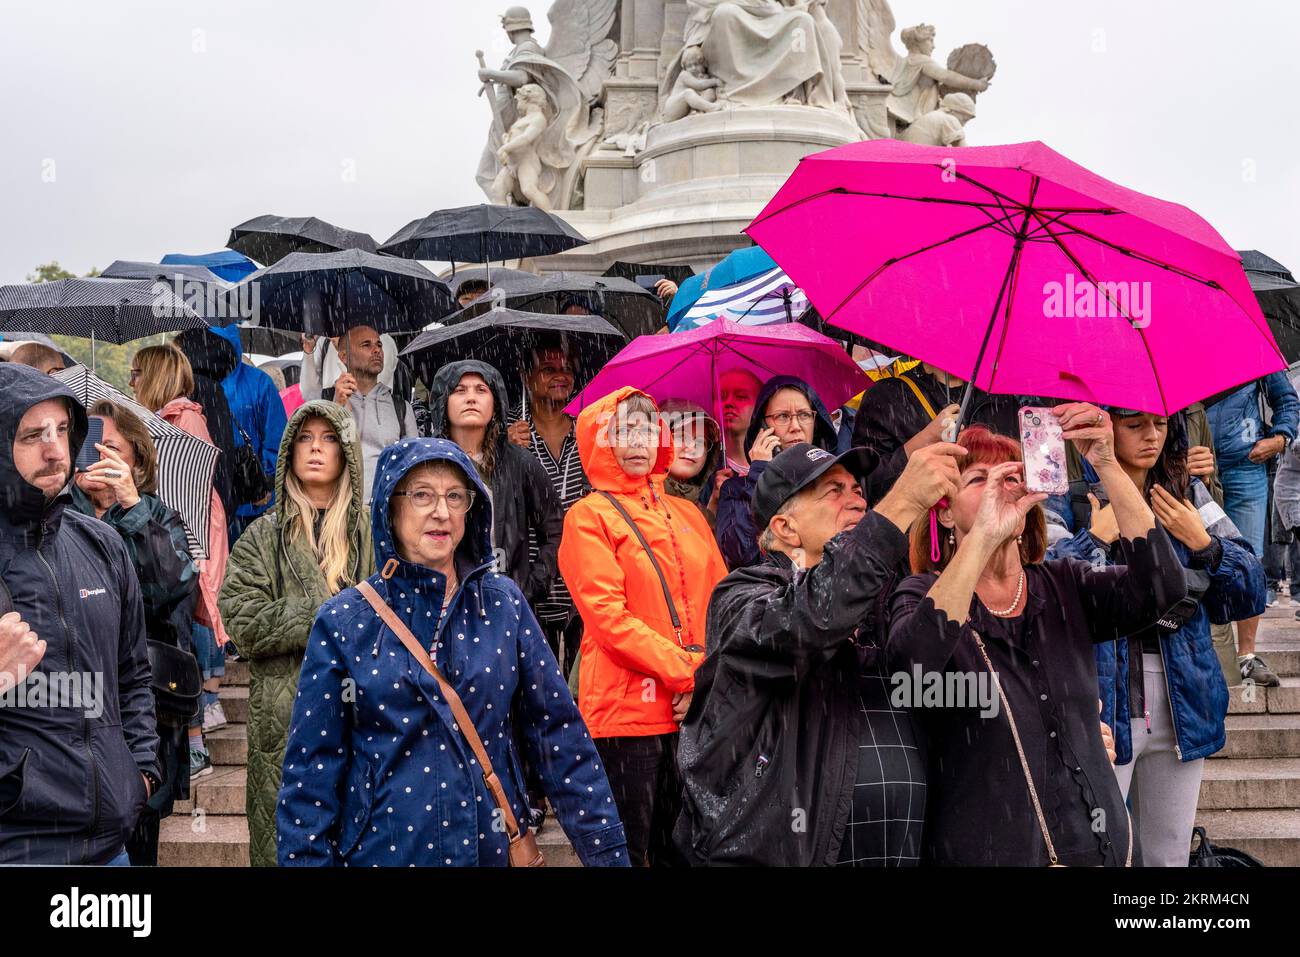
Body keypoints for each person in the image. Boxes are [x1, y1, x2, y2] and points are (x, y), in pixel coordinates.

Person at [276, 437, 628, 866]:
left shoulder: (503, 605)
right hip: (385, 852)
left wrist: (606, 852)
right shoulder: (345, 621)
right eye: (422, 494)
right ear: (390, 504)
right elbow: (310, 773)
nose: (441, 511)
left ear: (471, 509)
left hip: (490, 847)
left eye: (455, 496)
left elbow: (559, 735)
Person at [885, 410, 1187, 866]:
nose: (999, 489)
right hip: (988, 850)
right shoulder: (922, 595)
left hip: (1105, 850)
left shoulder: (1063, 584)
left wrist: (1107, 464)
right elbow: (913, 666)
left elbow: (1163, 588)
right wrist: (982, 539)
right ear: (943, 513)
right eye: (978, 480)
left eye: (1010, 478)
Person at [677, 439, 960, 866]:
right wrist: (900, 502)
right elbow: (807, 621)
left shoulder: (880, 601)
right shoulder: (740, 597)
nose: (856, 501)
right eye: (834, 491)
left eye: (858, 490)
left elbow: (935, 681)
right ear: (786, 528)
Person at [1045, 408, 1259, 866]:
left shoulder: (1186, 492)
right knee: (1097, 854)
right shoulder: (1070, 494)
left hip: (1183, 699)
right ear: (1107, 425)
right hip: (1099, 699)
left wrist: (1206, 544)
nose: (1152, 437)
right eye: (1135, 424)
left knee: (1169, 857)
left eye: (1160, 425)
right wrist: (1095, 541)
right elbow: (1044, 586)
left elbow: (1250, 590)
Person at [558, 387, 729, 866]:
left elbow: (724, 604)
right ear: (600, 440)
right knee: (627, 853)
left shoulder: (691, 514)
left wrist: (707, 679)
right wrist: (689, 673)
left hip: (693, 713)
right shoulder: (587, 516)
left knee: (691, 852)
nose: (638, 440)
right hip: (626, 717)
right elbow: (609, 619)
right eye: (623, 430)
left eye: (647, 428)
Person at [0, 363, 159, 865]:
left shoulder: (102, 542)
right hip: (20, 849)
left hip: (111, 844)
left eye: (63, 431)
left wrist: (141, 772)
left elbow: (133, 674)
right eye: (32, 436)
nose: (54, 450)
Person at [219, 401, 372, 867]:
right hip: (284, 721)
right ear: (289, 451)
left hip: (364, 711)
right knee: (287, 846)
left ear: (346, 452)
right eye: (305, 439)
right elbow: (241, 618)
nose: (316, 449)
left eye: (328, 439)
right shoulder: (263, 537)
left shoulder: (373, 532)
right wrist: (326, 616)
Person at [69, 399, 200, 866]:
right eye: (88, 446)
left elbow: (172, 587)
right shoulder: (58, 517)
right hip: (75, 706)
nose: (97, 458)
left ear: (137, 462)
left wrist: (131, 507)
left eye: (112, 449)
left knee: (140, 846)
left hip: (144, 709)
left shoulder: (158, 518)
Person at [131, 344, 231, 778]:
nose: (132, 380)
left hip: (184, 541)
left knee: (182, 634)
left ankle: (195, 739)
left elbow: (176, 491)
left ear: (155, 375)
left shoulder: (183, 419)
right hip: (174, 538)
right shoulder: (167, 418)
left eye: (137, 372)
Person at [428, 359, 563, 612]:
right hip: (440, 603)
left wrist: (530, 585)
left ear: (495, 403)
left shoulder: (518, 463)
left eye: (481, 390)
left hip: (504, 603)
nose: (471, 398)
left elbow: (556, 529)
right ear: (443, 401)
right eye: (460, 390)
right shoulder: (426, 463)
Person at [1204, 371, 1299, 686]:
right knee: (1194, 557)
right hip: (1195, 467)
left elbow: (1286, 400)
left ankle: (1246, 655)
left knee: (1250, 562)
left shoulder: (1251, 351)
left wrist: (1279, 438)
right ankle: (1204, 650)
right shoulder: (1181, 341)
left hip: (1246, 466)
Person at [505, 343, 588, 677]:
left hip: (585, 577)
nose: (560, 376)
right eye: (548, 369)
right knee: (538, 682)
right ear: (527, 377)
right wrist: (506, 450)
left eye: (566, 369)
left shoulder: (589, 427)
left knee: (582, 684)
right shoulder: (511, 432)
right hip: (535, 576)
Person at [851, 362, 1026, 505]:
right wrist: (926, 439)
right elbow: (866, 485)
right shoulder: (887, 395)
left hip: (997, 522)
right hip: (921, 536)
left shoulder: (1004, 398)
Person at [714, 375, 841, 570]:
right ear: (763, 427)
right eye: (782, 416)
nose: (796, 427)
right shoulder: (736, 489)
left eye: (804, 415)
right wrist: (759, 478)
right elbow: (740, 556)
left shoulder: (839, 479)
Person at [179, 326, 287, 539]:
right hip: (221, 500)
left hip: (232, 503)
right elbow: (278, 442)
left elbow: (277, 442)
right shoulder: (258, 382)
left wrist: (263, 483)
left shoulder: (188, 382)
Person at [300, 326, 417, 504]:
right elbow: (324, 451)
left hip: (384, 510)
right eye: (366, 345)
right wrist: (338, 407)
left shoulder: (401, 408)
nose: (377, 350)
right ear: (344, 357)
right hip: (337, 509)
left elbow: (412, 465)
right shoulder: (328, 401)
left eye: (379, 344)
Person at [168, 330, 241, 522]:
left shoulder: (191, 389)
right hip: (218, 492)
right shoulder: (214, 387)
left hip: (198, 503)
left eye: (176, 352)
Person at [659, 399, 722, 523]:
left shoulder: (702, 513)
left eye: (700, 442)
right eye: (681, 437)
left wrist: (714, 503)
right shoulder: (640, 505)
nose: (692, 447)